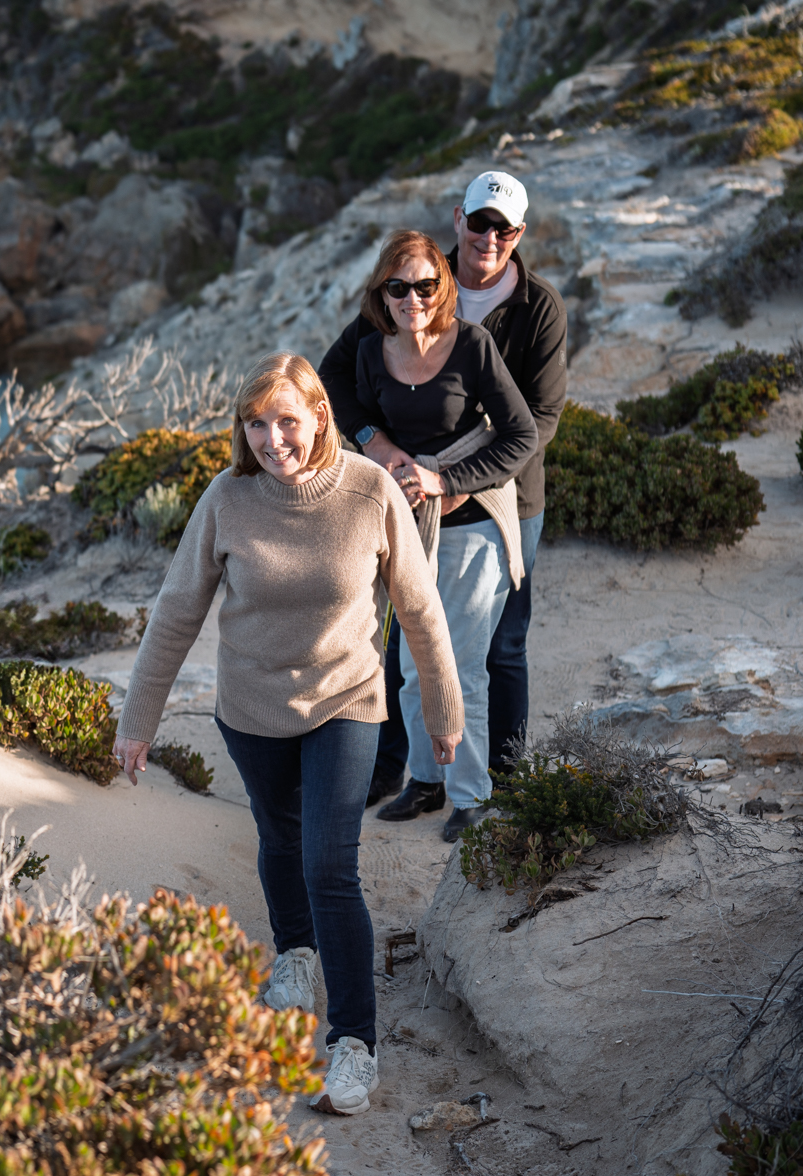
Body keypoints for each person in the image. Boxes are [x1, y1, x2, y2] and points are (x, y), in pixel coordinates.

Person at [111, 351, 465, 1117]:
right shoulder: (228, 498)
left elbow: (420, 610)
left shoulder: (370, 492)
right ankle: (295, 955)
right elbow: (177, 612)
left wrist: (443, 712)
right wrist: (138, 719)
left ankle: (353, 1042)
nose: (275, 440)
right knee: (278, 838)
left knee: (329, 863)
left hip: (347, 698)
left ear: (320, 417)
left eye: (289, 422)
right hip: (251, 708)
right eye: (258, 425)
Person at [321, 170, 569, 814]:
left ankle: (493, 788)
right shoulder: (409, 287)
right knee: (411, 650)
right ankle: (421, 779)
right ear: (458, 219)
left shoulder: (533, 309)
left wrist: (455, 479)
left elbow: (535, 423)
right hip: (409, 507)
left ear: (517, 235)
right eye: (480, 222)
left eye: (504, 228)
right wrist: (374, 442)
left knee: (495, 649)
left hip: (500, 500)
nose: (490, 236)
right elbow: (334, 377)